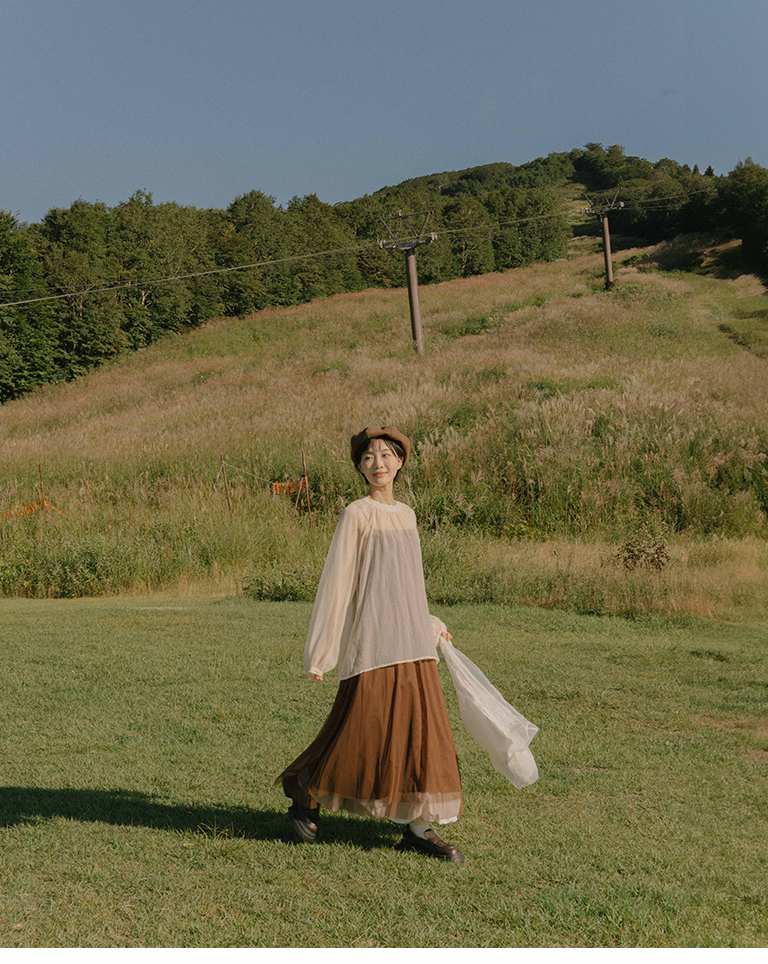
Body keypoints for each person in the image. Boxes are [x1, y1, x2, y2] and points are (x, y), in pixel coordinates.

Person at [276, 425, 465, 863]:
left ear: (400, 462)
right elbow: (337, 584)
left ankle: (417, 829)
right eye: (368, 458)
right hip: (374, 642)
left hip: (412, 643)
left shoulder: (408, 515)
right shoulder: (356, 514)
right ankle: (306, 789)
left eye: (385, 455)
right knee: (360, 730)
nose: (377, 464)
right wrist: (322, 651)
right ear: (360, 468)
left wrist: (429, 623)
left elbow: (409, 583)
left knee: (421, 736)